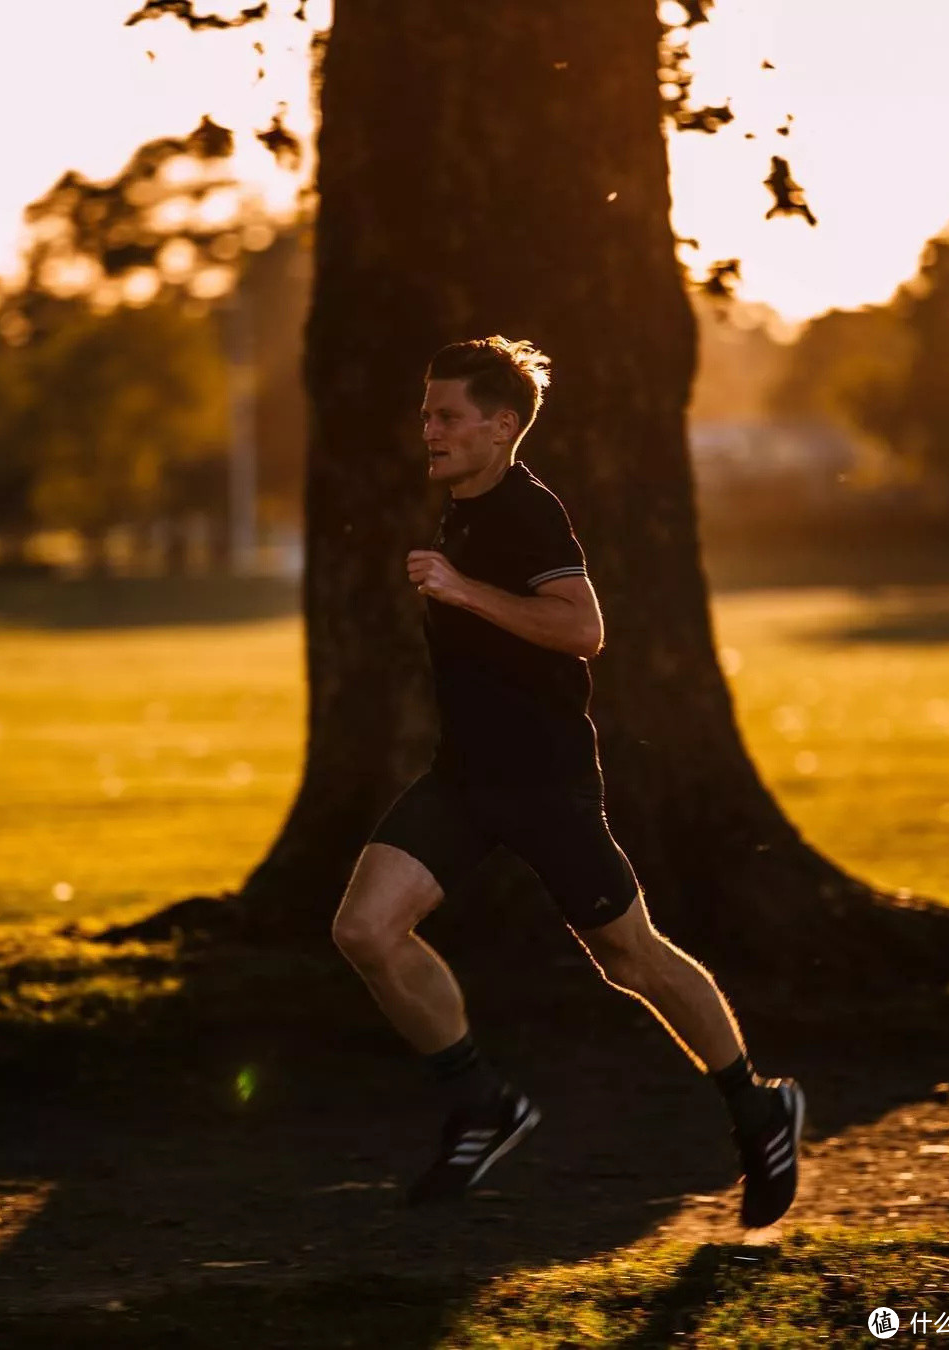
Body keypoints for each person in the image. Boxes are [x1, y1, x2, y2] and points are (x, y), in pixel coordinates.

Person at [332, 336, 804, 1226]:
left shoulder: (526, 512)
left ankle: (757, 1102)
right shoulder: (464, 506)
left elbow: (583, 628)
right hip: (464, 778)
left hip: (545, 784)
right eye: (426, 412)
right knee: (365, 927)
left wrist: (464, 591)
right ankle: (482, 1103)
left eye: (447, 416)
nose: (427, 428)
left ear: (502, 425)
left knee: (631, 957)